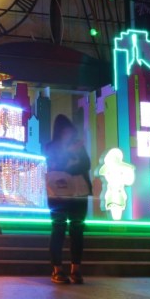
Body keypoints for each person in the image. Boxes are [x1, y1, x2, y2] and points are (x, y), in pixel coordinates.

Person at [43, 114, 92, 284]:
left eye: (70, 130)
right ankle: (57, 269)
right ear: (59, 131)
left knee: (77, 230)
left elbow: (86, 164)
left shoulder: (79, 146)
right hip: (58, 194)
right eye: (65, 130)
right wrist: (70, 156)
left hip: (79, 192)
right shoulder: (51, 147)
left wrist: (70, 165)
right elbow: (55, 166)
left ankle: (75, 269)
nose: (68, 133)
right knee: (58, 228)